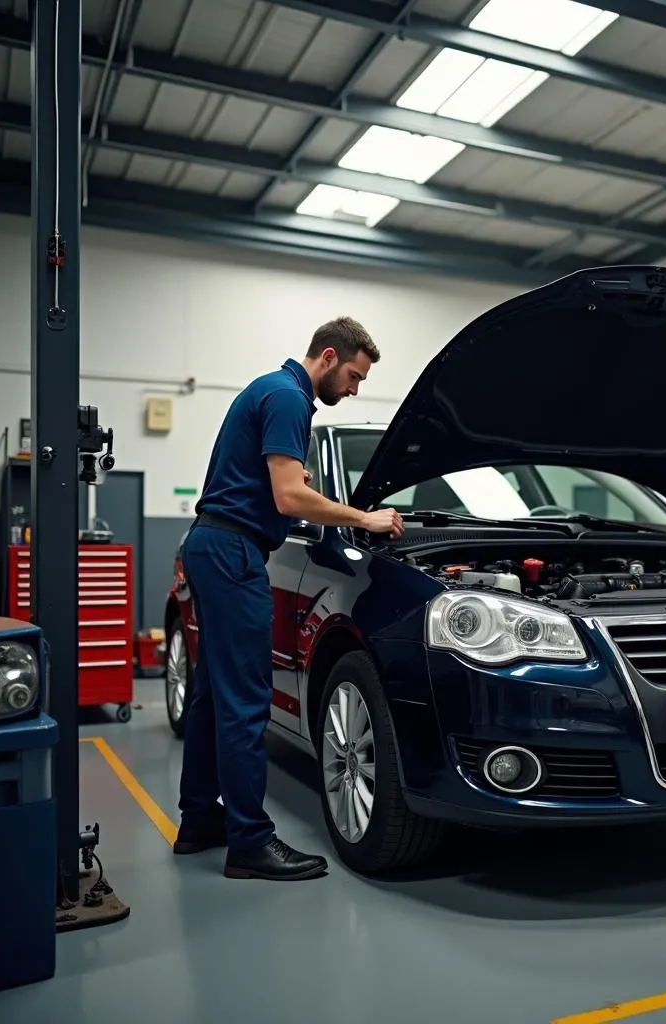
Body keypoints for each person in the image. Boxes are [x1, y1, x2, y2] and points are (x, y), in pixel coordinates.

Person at [171, 317, 404, 881]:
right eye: (353, 375)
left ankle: (200, 818)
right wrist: (363, 517)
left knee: (209, 695)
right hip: (233, 552)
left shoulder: (271, 390)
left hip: (213, 545)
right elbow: (289, 494)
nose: (354, 389)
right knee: (247, 700)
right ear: (328, 356)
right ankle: (250, 841)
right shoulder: (288, 398)